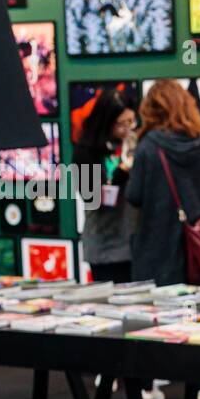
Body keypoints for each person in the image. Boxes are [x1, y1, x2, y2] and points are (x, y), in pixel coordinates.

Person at [124, 79, 200, 399]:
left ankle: (148, 388)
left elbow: (135, 196)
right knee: (197, 318)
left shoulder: (149, 145)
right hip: (199, 246)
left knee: (152, 320)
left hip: (155, 244)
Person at [74, 89, 137, 284]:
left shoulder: (132, 143)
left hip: (134, 241)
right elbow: (91, 197)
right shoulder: (85, 152)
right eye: (121, 124)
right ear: (107, 122)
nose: (127, 128)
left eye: (131, 121)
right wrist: (120, 173)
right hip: (105, 244)